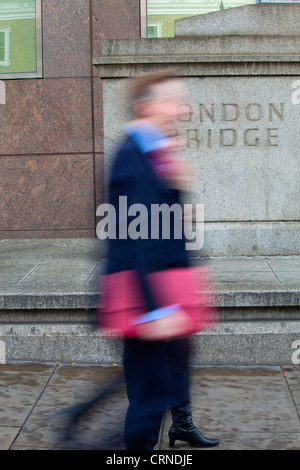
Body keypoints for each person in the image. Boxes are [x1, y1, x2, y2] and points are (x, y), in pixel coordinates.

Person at [104, 69, 219, 450]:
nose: (182, 109)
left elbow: (162, 226)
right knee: (149, 393)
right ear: (147, 105)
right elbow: (136, 239)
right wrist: (154, 310)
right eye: (173, 100)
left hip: (166, 286)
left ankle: (181, 425)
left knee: (173, 369)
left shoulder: (154, 149)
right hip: (146, 294)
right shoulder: (132, 154)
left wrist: (174, 190)